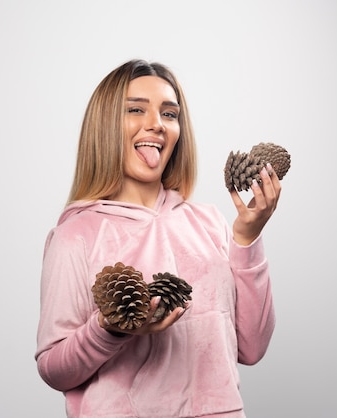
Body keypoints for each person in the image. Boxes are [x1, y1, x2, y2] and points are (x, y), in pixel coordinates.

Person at [34, 58, 281, 418]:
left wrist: (247, 237)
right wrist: (109, 330)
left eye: (169, 114)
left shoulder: (210, 224)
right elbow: (54, 368)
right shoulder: (76, 235)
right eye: (136, 109)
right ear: (105, 126)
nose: (156, 125)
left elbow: (252, 348)